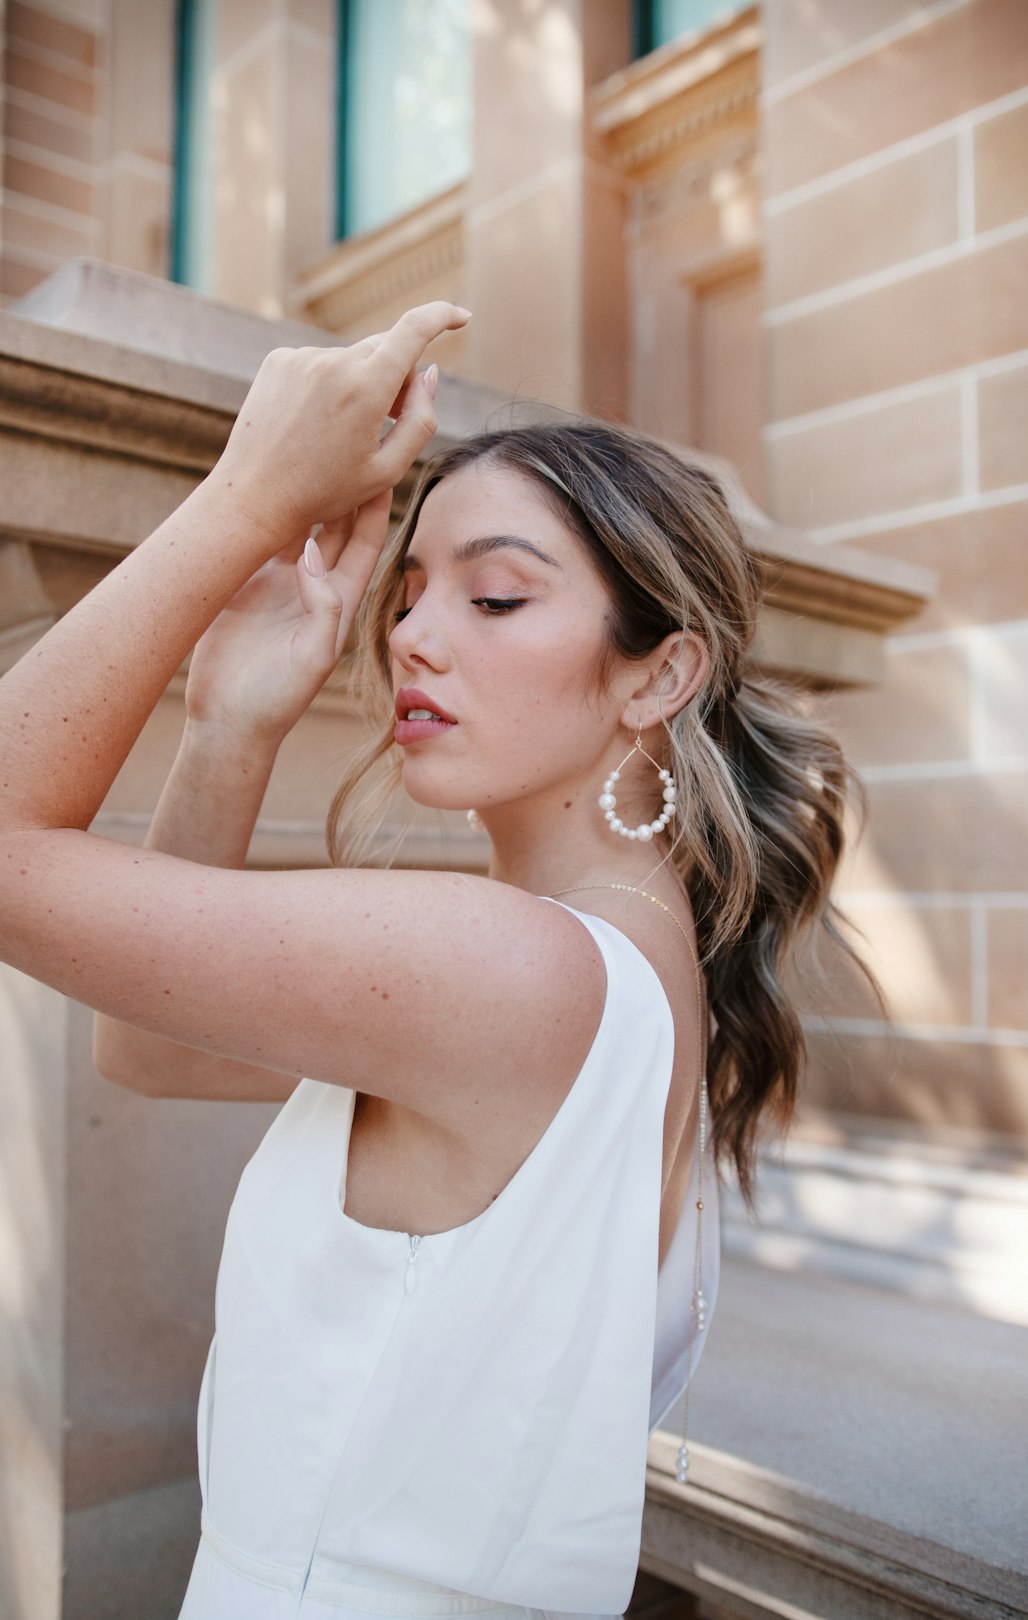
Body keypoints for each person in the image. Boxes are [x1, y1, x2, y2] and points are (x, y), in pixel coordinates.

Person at [0, 301, 878, 1619]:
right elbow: (150, 1046)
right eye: (408, 593)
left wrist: (246, 496)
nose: (409, 633)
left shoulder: (513, 970)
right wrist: (232, 725)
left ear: (658, 674)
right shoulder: (622, 972)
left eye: (497, 594)